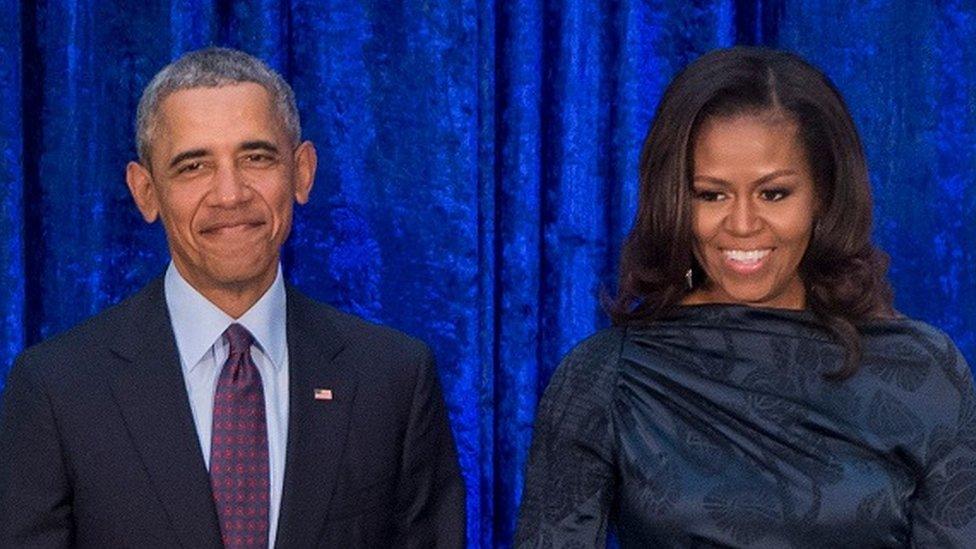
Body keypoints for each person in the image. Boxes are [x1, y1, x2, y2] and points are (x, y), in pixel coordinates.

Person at [0, 47, 465, 548]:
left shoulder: (393, 377)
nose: (230, 194)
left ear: (302, 172)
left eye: (256, 157)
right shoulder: (57, 389)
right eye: (193, 166)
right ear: (146, 192)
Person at [515, 47, 976, 547]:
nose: (741, 224)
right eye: (711, 194)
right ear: (675, 200)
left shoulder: (922, 372)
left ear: (823, 194)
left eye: (773, 193)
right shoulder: (605, 378)